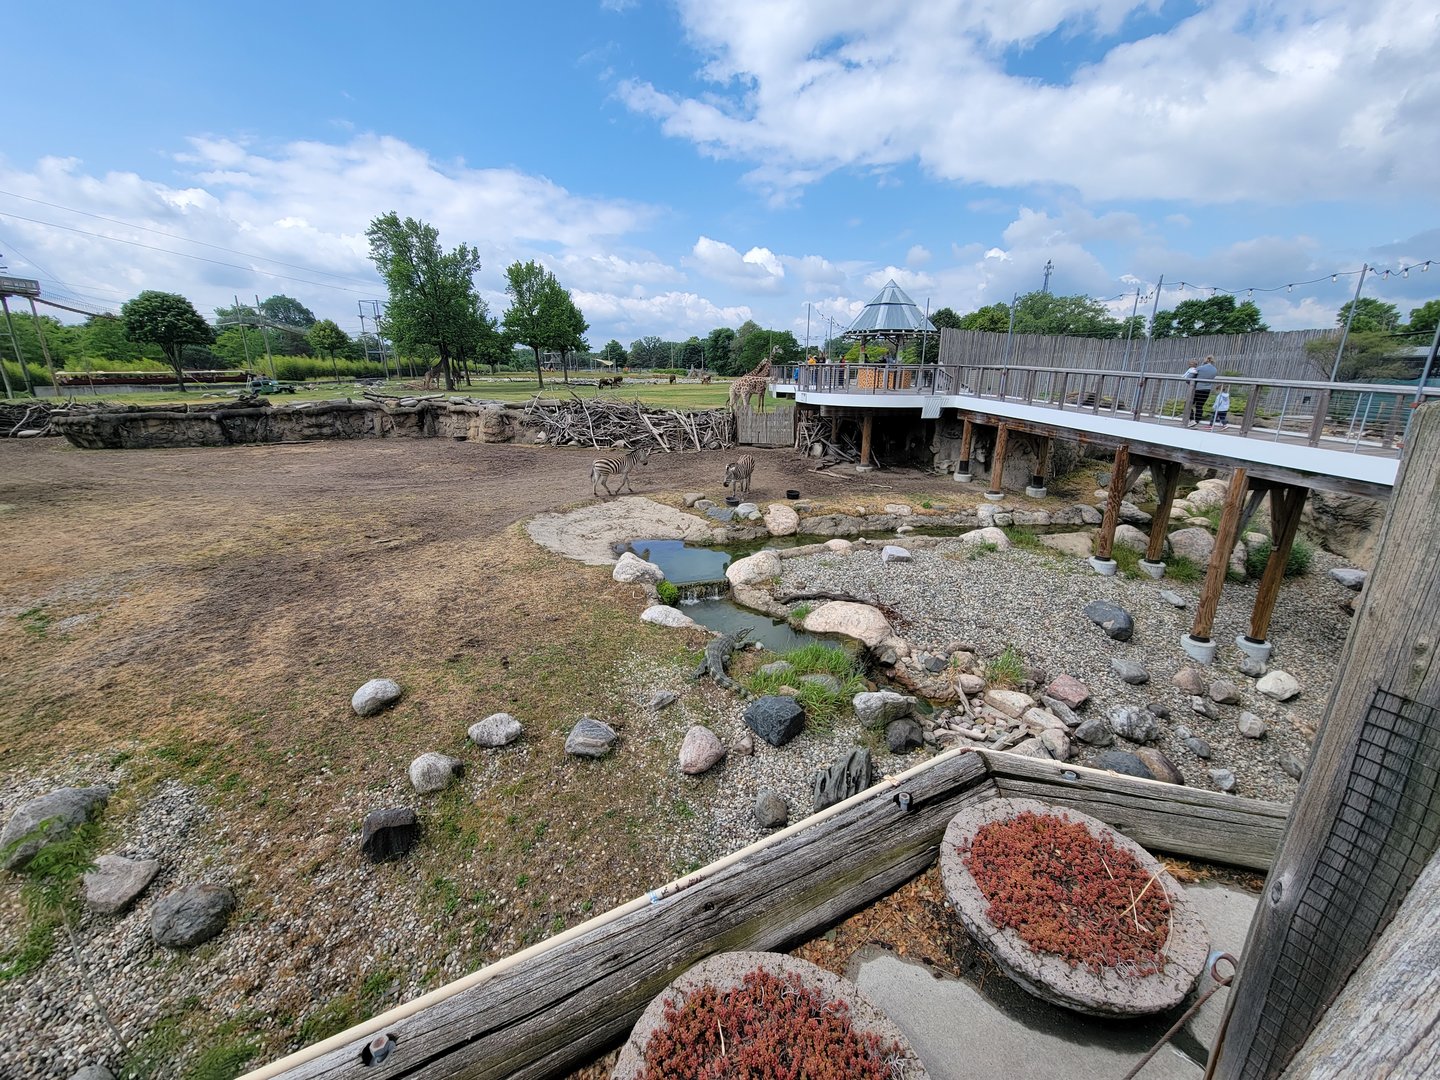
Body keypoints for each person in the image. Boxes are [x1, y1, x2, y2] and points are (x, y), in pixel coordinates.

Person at [1185, 355, 1218, 427]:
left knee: (1188, 404)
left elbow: (1189, 378)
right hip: (1207, 390)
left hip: (1198, 389)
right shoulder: (1215, 370)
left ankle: (1191, 420)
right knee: (1199, 406)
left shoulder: (1200, 368)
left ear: (1205, 360)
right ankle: (1197, 421)